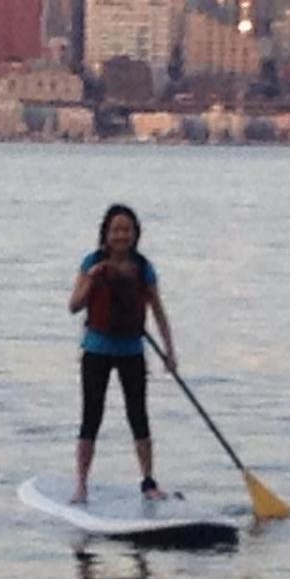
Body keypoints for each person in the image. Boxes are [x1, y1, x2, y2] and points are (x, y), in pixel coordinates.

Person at [67, 203, 178, 505]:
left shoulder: (143, 268)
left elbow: (158, 311)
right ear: (106, 233)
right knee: (92, 416)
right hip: (96, 350)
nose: (121, 235)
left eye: (127, 230)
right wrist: (90, 279)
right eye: (116, 230)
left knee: (138, 415)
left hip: (131, 350)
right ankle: (81, 485)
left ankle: (148, 482)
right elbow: (74, 306)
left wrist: (170, 352)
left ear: (135, 234)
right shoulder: (92, 262)